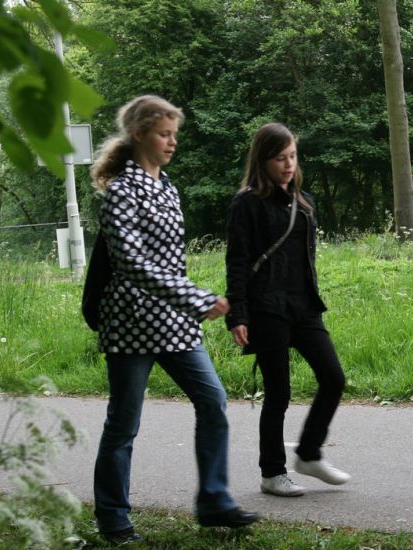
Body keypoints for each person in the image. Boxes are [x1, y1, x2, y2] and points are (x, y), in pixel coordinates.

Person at [90, 95, 258, 543]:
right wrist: (197, 299)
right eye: (164, 134)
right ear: (139, 134)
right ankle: (113, 519)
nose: (172, 142)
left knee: (213, 401)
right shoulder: (121, 192)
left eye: (174, 135)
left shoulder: (167, 187)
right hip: (131, 322)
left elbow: (168, 261)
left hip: (174, 321)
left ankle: (215, 501)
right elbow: (131, 263)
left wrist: (188, 301)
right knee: (123, 424)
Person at [225, 122, 350, 497]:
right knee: (278, 394)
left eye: (293, 156)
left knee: (333, 378)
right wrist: (238, 313)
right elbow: (237, 261)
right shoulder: (246, 204)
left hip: (304, 307)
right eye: (280, 158)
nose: (288, 164)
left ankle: (309, 453)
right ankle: (272, 473)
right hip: (266, 309)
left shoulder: (303, 202)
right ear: (262, 160)